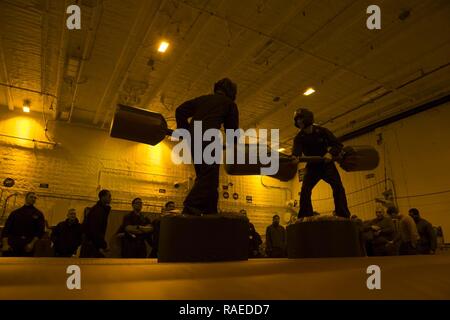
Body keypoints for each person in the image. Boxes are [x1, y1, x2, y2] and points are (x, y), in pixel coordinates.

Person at [175, 78, 239, 215]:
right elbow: (232, 131)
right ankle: (191, 204)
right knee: (209, 176)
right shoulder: (229, 104)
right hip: (209, 139)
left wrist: (185, 132)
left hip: (193, 140)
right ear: (231, 93)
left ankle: (210, 210)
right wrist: (233, 148)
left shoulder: (202, 99)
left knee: (205, 176)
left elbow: (180, 110)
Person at [291, 108, 351, 218]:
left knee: (338, 187)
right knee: (305, 190)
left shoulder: (322, 131)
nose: (299, 121)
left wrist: (330, 153)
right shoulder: (299, 138)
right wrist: (295, 158)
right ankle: (305, 216)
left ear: (308, 119)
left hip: (326, 164)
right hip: (312, 166)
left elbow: (337, 145)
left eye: (300, 118)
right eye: (297, 119)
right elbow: (296, 153)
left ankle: (343, 214)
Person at [1, 192, 45, 257]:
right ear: (26, 198)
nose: (33, 199)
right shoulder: (15, 213)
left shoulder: (38, 214)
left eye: (35, 198)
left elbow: (40, 231)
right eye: (31, 197)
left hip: (28, 243)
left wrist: (32, 244)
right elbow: (7, 229)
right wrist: (5, 244)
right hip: (14, 242)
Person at [80, 190, 112, 258]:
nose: (110, 198)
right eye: (109, 196)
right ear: (103, 197)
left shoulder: (99, 209)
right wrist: (103, 245)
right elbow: (95, 230)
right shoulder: (98, 211)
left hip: (92, 244)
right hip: (91, 246)